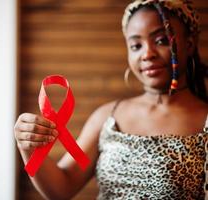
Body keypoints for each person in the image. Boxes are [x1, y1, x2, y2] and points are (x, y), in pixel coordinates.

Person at [14, 0, 208, 199]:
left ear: (189, 44)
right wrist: (28, 148)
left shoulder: (205, 121)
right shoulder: (108, 116)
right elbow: (61, 188)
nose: (147, 54)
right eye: (136, 45)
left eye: (161, 41)